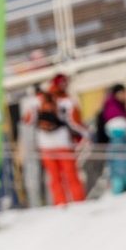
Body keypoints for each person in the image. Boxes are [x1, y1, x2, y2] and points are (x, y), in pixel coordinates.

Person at [30, 74, 89, 205]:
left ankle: (60, 202)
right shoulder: (68, 101)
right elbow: (74, 122)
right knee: (71, 175)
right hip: (63, 143)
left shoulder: (38, 100)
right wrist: (85, 135)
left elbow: (28, 120)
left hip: (45, 145)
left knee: (54, 177)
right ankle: (78, 201)